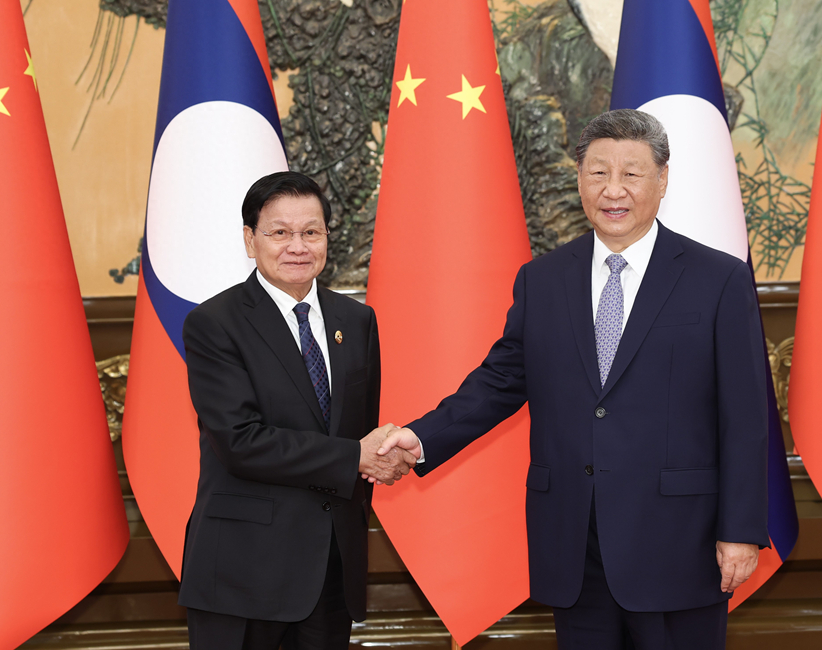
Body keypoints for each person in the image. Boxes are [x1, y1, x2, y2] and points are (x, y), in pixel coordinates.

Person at [378, 110, 769, 649]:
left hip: (680, 541)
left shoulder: (718, 278)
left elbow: (745, 416)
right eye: (598, 172)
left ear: (662, 179)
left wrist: (740, 530)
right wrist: (420, 439)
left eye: (631, 173)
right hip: (574, 543)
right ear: (580, 178)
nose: (614, 190)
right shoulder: (542, 280)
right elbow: (499, 381)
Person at [178, 171, 416, 650]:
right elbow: (240, 442)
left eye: (311, 231)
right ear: (251, 240)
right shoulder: (214, 324)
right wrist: (356, 457)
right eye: (280, 232)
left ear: (327, 237)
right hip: (244, 573)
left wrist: (379, 456)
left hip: (331, 570)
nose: (298, 246)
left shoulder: (357, 320)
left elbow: (360, 430)